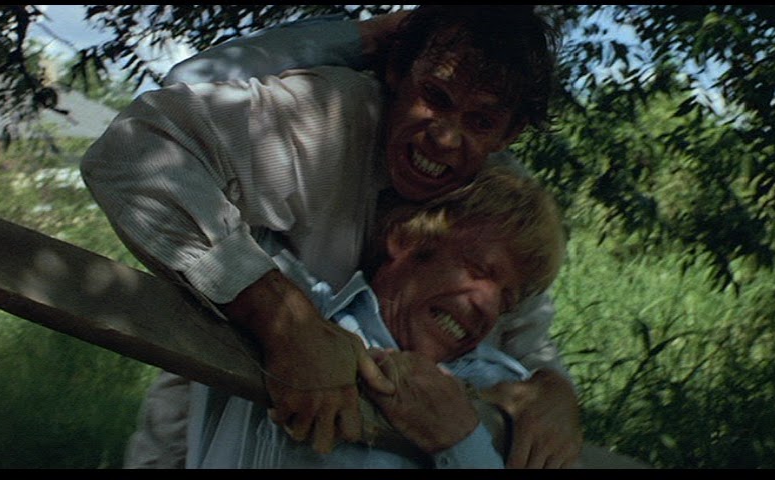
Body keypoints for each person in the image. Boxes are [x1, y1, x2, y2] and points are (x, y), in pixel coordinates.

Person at [81, 5, 582, 469]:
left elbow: (524, 327)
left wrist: (554, 392)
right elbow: (135, 149)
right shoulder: (327, 116)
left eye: (481, 121)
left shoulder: (494, 199)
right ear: (396, 73)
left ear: (509, 134)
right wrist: (281, 318)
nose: (446, 138)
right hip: (207, 431)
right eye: (435, 97)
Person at [187, 166, 566, 468]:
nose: (489, 307)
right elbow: (177, 181)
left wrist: (461, 440)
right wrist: (290, 328)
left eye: (507, 301)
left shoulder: (504, 388)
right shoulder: (299, 305)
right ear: (407, 239)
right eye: (478, 269)